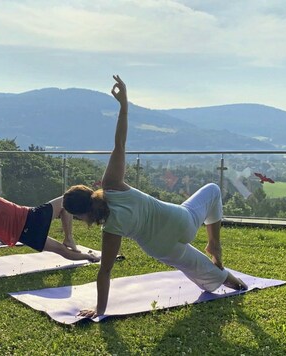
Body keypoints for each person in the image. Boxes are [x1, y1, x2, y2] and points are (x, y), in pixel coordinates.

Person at [62, 75, 247, 318]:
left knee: (202, 273)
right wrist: (124, 105)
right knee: (212, 189)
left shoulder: (111, 231)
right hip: (181, 220)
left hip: (162, 246)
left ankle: (233, 282)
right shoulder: (112, 185)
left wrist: (100, 310)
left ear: (79, 216)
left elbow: (105, 272)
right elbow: (120, 144)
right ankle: (215, 243)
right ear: (88, 189)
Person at [0, 117, 99, 277]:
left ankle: (88, 257)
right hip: (32, 216)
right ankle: (69, 238)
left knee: (61, 251)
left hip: (27, 236)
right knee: (66, 200)